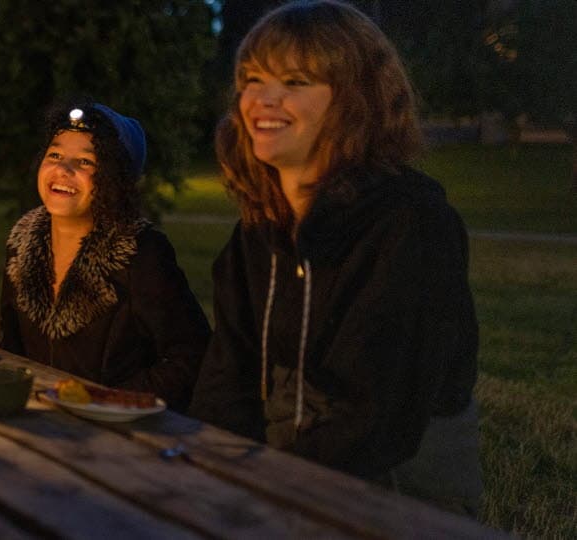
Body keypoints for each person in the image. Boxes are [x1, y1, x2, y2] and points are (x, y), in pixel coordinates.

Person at [187, 0, 482, 516]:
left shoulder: (410, 224)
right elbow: (225, 379)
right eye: (253, 79)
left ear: (354, 100)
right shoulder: (257, 232)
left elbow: (378, 420)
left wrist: (261, 490)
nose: (263, 99)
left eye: (296, 81)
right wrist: (214, 472)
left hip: (392, 496)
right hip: (274, 481)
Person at [0, 103, 211, 408]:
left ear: (115, 179)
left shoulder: (140, 252)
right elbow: (25, 358)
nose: (63, 170)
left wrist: (106, 401)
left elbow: (191, 355)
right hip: (40, 422)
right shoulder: (22, 246)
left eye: (85, 161)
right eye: (55, 155)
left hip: (116, 436)